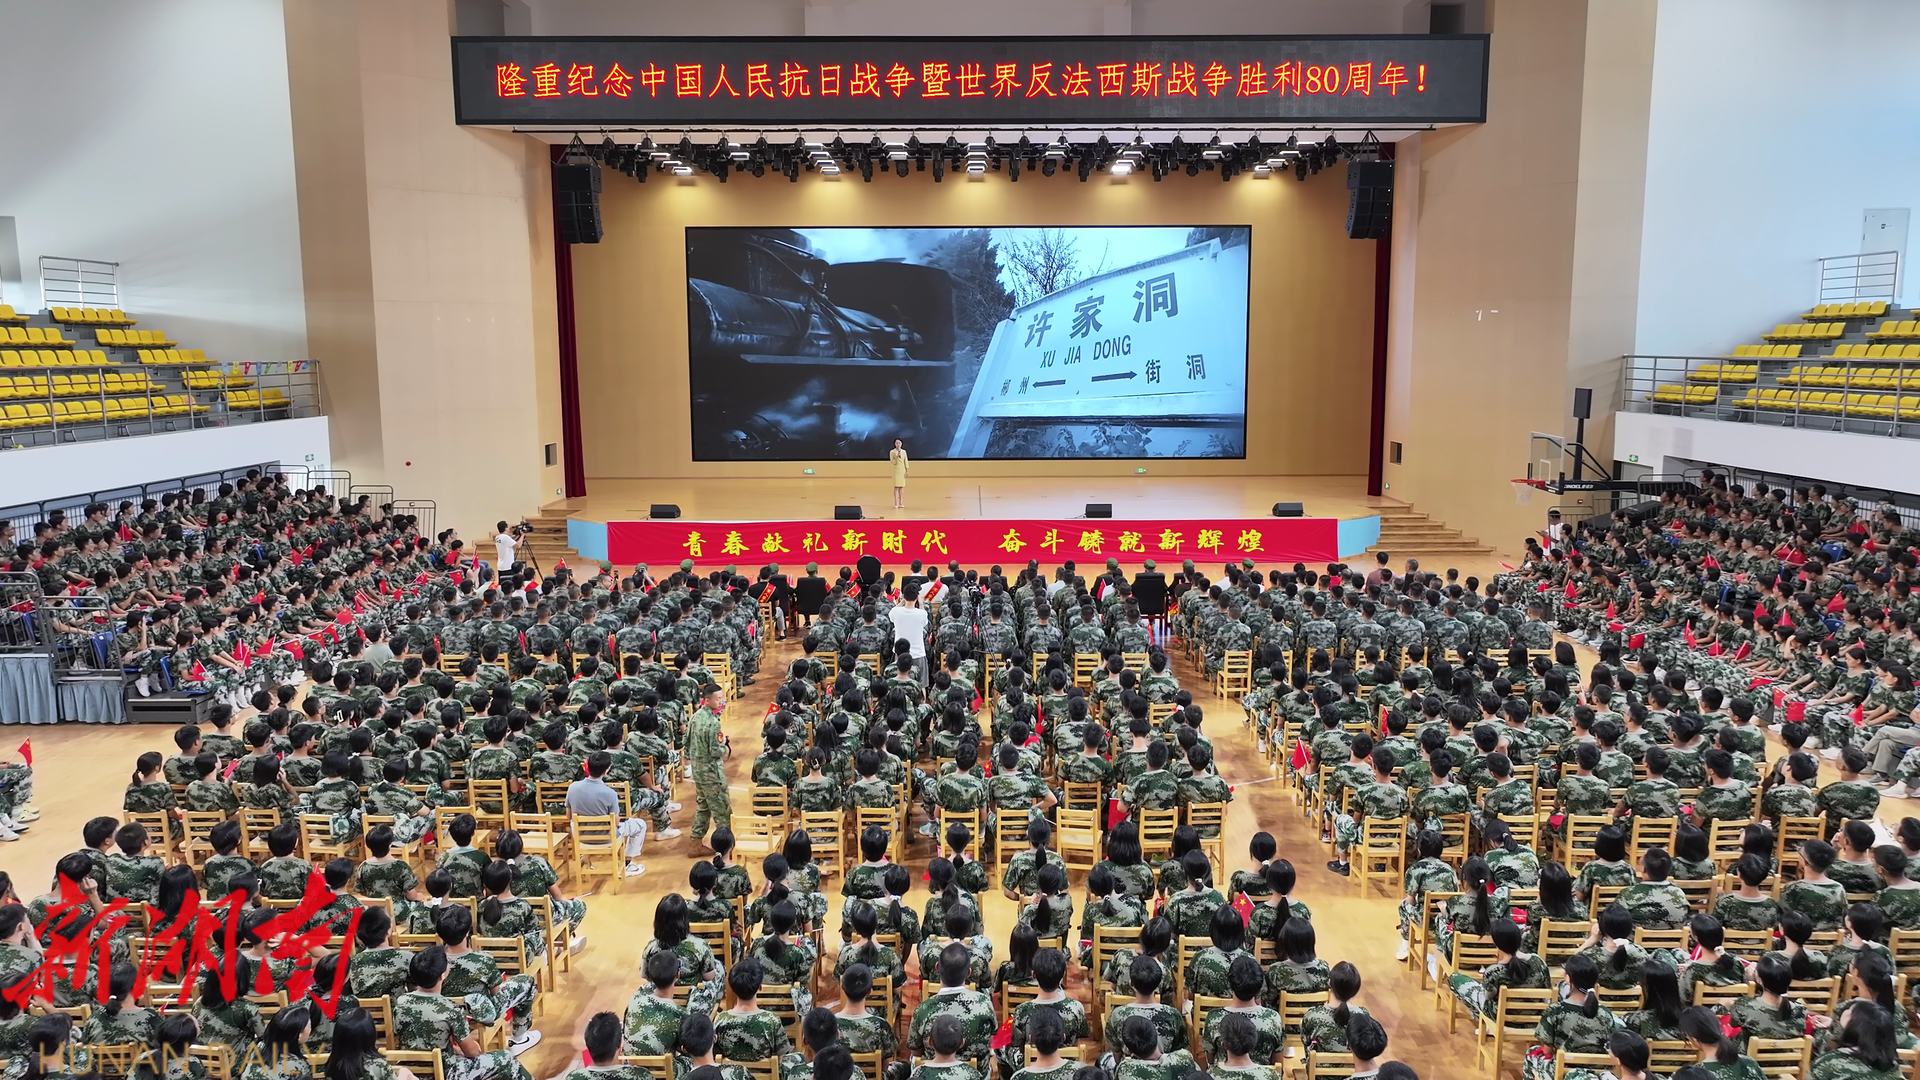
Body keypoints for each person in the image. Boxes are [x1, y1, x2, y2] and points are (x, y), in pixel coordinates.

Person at [566, 751, 654, 878]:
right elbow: (615, 822)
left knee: (574, 823)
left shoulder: (572, 787)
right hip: (606, 838)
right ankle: (627, 863)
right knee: (640, 824)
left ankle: (584, 856)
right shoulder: (610, 793)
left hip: (581, 838)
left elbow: (568, 816)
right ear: (606, 771)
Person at [689, 682, 731, 849]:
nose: (721, 701)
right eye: (718, 699)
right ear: (707, 700)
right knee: (722, 810)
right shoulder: (713, 723)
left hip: (697, 770)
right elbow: (716, 751)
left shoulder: (695, 717)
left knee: (704, 806)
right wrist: (724, 744)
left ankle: (695, 842)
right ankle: (725, 847)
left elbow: (686, 741)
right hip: (712, 772)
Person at [889, 440, 909, 510]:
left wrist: (907, 470)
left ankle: (901, 502)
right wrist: (896, 457)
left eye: (899, 443)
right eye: (897, 443)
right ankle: (896, 503)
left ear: (901, 444)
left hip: (902, 470)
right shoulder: (892, 452)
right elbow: (893, 462)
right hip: (896, 471)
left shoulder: (904, 452)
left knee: (902, 487)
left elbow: (906, 461)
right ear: (895, 444)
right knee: (896, 487)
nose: (898, 444)